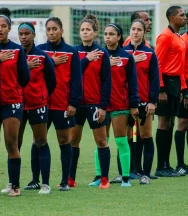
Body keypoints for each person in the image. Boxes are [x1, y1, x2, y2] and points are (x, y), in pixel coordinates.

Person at [34, 17, 82, 191]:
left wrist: (73, 103)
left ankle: (64, 181)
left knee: (64, 141)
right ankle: (35, 179)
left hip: (62, 104)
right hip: (41, 104)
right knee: (38, 141)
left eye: (55, 29)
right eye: (49, 29)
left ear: (61, 30)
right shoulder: (39, 50)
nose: (52, 32)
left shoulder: (71, 52)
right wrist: (50, 62)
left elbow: (77, 80)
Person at [91, 23, 139, 187]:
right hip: (101, 104)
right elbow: (91, 78)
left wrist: (134, 104)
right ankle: (99, 176)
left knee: (121, 141)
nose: (108, 37)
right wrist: (106, 65)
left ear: (119, 37)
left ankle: (125, 177)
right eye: (105, 34)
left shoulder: (127, 57)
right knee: (101, 141)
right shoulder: (97, 55)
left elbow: (133, 82)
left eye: (112, 34)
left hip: (120, 105)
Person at [0, 8, 30, 197]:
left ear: (9, 28)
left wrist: (11, 88)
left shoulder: (17, 50)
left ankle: (14, 185)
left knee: (11, 143)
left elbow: (24, 77)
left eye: (3, 26)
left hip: (12, 101)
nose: (0, 29)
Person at [69, 14, 112, 189]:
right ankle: (70, 179)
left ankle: (104, 179)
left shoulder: (103, 53)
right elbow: (72, 75)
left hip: (95, 104)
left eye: (88, 30)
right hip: (77, 104)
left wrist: (103, 106)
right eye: (82, 30)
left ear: (95, 33)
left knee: (101, 141)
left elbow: (106, 82)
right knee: (73, 141)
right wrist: (86, 59)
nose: (85, 32)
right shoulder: (74, 52)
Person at [17, 22, 57, 194]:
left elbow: (51, 81)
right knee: (14, 144)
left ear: (34, 35)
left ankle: (46, 183)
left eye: (27, 33)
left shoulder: (42, 56)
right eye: (21, 34)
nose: (24, 37)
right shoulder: (14, 55)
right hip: (17, 105)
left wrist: (42, 96)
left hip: (37, 105)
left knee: (41, 141)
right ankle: (14, 183)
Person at [123, 19, 160, 184]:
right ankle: (128, 171)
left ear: (144, 33)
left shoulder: (150, 53)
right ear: (129, 31)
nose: (135, 32)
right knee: (128, 137)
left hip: (144, 101)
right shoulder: (122, 52)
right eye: (133, 29)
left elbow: (154, 78)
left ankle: (145, 174)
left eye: (139, 29)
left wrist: (152, 101)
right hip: (125, 102)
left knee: (145, 136)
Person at [155, 6, 187, 177]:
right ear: (172, 18)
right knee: (163, 123)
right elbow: (158, 64)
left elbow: (181, 66)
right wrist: (160, 89)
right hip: (165, 84)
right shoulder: (165, 36)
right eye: (181, 15)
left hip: (175, 84)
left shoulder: (179, 38)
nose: (185, 17)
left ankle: (167, 164)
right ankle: (161, 166)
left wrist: (182, 87)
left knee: (171, 124)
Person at [175, 14, 188, 175]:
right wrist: (185, 91)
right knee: (183, 124)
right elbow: (180, 67)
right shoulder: (183, 40)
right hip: (186, 87)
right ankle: (180, 163)